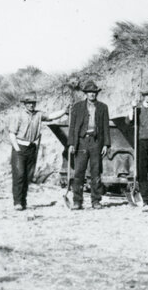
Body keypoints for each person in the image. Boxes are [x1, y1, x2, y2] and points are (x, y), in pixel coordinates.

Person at [7, 92, 66, 211]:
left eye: (33, 103)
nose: (31, 105)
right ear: (25, 104)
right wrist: (17, 148)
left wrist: (64, 111)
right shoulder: (18, 116)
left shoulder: (39, 115)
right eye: (29, 103)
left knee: (27, 176)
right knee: (19, 175)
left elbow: (51, 116)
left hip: (32, 148)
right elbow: (12, 133)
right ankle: (17, 202)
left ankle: (23, 201)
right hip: (20, 147)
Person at [66, 81, 111, 210]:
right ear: (86, 93)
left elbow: (105, 127)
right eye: (89, 92)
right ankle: (77, 201)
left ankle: (96, 201)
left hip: (96, 142)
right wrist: (71, 144)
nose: (92, 94)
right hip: (81, 142)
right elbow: (72, 127)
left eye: (94, 92)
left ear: (97, 93)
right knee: (79, 172)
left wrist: (106, 144)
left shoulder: (103, 107)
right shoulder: (77, 107)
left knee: (96, 172)